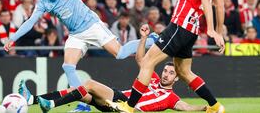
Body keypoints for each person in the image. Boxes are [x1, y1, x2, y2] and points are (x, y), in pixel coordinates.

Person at [4, 0, 158, 110]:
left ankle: (151, 40)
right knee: (68, 67)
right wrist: (12, 38)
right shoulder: (42, 0)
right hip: (76, 34)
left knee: (120, 54)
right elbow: (31, 21)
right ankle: (82, 105)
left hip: (92, 25)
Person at [109, 0, 226, 113]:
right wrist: (219, 31)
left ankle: (129, 106)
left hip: (180, 25)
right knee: (184, 73)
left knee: (147, 62)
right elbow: (219, 4)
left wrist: (211, 29)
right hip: (191, 30)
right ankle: (216, 107)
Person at [18, 25, 206, 112]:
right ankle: (33, 100)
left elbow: (187, 108)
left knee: (88, 84)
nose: (166, 74)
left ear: (176, 79)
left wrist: (205, 108)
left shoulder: (172, 98)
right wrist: (143, 39)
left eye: (171, 73)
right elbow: (140, 59)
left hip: (129, 108)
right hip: (118, 101)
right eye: (165, 70)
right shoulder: (154, 79)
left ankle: (50, 105)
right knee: (79, 90)